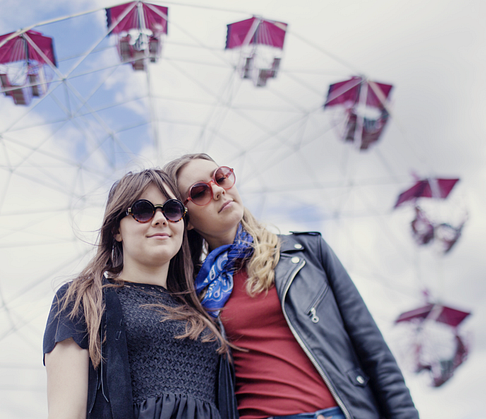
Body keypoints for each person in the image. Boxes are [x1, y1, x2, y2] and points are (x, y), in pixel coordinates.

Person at [164, 154, 419, 419]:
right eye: (200, 192)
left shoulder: (307, 253)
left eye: (221, 177)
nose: (218, 190)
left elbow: (375, 354)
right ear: (186, 219)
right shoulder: (194, 298)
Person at [43, 169, 237, 419]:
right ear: (116, 230)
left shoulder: (206, 309)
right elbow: (67, 413)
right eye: (143, 211)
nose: (160, 219)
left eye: (172, 210)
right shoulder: (83, 298)